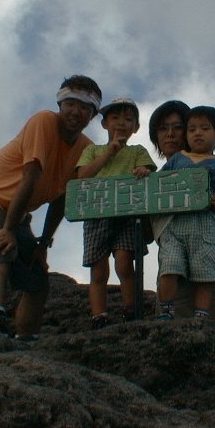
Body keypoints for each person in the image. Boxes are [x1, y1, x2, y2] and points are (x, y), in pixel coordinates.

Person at [0, 75, 102, 340]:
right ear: (60, 103)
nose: (77, 111)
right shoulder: (44, 121)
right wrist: (9, 229)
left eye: (85, 107)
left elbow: (62, 198)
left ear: (92, 116)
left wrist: (43, 243)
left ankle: (26, 341)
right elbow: (31, 174)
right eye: (71, 103)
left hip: (18, 212)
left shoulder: (85, 149)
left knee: (37, 281)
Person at [148, 100, 215, 344]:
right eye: (163, 128)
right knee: (174, 330)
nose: (171, 134)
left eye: (177, 126)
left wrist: (203, 199)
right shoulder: (157, 176)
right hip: (174, 255)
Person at [75, 97, 156, 329]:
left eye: (128, 119)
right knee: (98, 269)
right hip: (96, 214)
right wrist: (108, 153)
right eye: (115, 118)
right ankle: (98, 315)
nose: (121, 123)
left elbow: (148, 171)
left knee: (124, 263)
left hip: (127, 215)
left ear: (136, 127)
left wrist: (143, 170)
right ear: (104, 124)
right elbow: (82, 177)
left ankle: (130, 309)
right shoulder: (93, 150)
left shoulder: (138, 151)